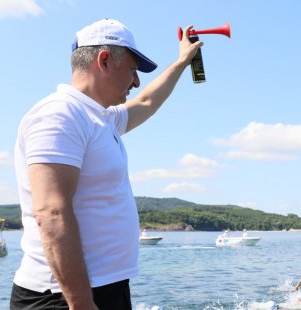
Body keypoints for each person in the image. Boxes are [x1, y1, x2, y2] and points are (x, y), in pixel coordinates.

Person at [11, 18, 202, 310]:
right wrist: (82, 303)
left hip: (99, 289)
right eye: (133, 70)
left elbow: (147, 102)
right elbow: (51, 213)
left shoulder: (100, 118)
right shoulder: (60, 115)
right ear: (104, 60)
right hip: (63, 296)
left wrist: (181, 62)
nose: (136, 82)